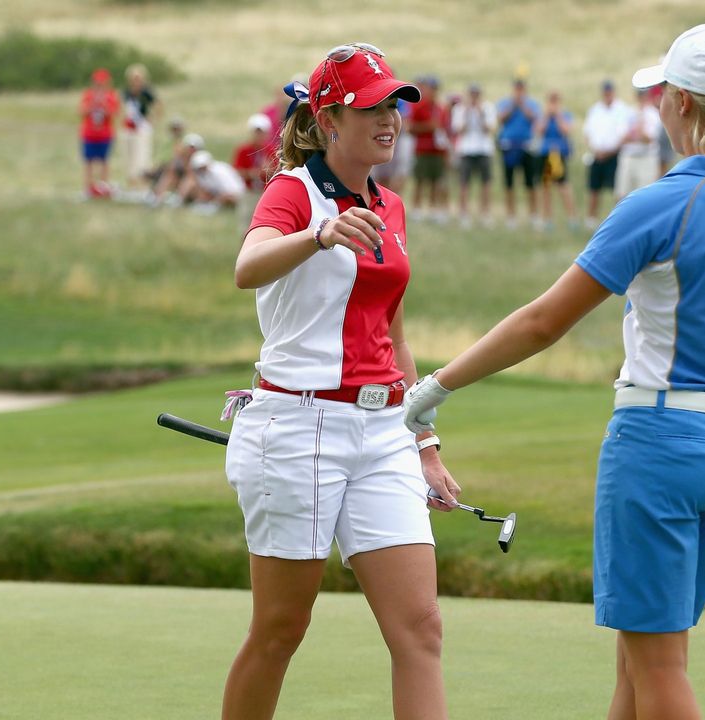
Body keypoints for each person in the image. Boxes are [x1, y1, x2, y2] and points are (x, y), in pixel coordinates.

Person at [401, 24, 705, 720]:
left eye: (662, 94)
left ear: (683, 104)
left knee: (659, 669)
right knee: (643, 660)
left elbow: (543, 322)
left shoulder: (661, 204)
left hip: (662, 447)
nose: (657, 106)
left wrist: (431, 390)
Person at [225, 43, 455, 720]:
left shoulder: (392, 205)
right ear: (328, 121)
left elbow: (396, 337)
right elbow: (249, 265)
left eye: (393, 106)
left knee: (421, 630)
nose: (388, 119)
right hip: (296, 428)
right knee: (280, 631)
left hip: (383, 430)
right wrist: (320, 236)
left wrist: (426, 443)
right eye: (369, 108)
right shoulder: (292, 191)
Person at [583, 79, 632, 229]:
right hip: (597, 155)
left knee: (617, 189)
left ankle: (618, 220)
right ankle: (591, 219)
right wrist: (596, 150)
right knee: (594, 188)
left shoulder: (622, 109)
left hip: (614, 155)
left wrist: (609, 151)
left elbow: (624, 135)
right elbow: (588, 133)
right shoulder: (595, 110)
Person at [496, 78, 542, 229]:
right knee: (509, 183)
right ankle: (511, 216)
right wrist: (513, 106)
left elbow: (534, 119)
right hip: (509, 146)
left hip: (526, 146)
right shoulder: (505, 103)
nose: (519, 92)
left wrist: (522, 105)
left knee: (530, 183)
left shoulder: (531, 104)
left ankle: (533, 215)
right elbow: (501, 119)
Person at [450, 83, 496, 227]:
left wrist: (480, 113)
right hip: (466, 149)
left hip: (484, 149)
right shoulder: (460, 109)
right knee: (464, 182)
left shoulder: (488, 108)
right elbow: (458, 129)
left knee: (486, 183)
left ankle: (486, 213)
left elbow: (489, 129)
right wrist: (468, 112)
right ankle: (464, 213)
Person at [408, 76, 450, 223]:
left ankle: (433, 209)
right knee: (420, 181)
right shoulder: (419, 107)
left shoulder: (440, 108)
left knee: (435, 181)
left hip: (437, 151)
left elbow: (444, 129)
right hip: (422, 150)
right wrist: (428, 126)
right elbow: (410, 128)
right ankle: (416, 209)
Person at [535, 90, 577, 230]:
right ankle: (547, 219)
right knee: (546, 186)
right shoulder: (543, 116)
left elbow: (566, 130)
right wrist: (547, 116)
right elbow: (539, 130)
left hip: (559, 153)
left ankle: (572, 218)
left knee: (563, 186)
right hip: (546, 153)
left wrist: (558, 115)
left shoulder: (565, 115)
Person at [614, 88, 663, 200]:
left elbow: (649, 139)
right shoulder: (628, 112)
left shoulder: (653, 114)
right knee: (622, 194)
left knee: (646, 195)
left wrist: (637, 132)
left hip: (646, 158)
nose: (642, 98)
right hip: (629, 156)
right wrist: (637, 135)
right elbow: (622, 138)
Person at [79, 68, 120, 198]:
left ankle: (103, 186)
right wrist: (92, 103)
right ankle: (88, 186)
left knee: (104, 161)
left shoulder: (112, 95)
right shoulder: (88, 95)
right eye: (97, 83)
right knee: (88, 161)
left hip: (104, 134)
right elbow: (81, 112)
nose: (99, 85)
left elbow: (114, 113)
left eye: (102, 83)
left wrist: (103, 103)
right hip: (89, 134)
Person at [234, 113, 275, 224]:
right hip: (250, 191)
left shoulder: (271, 151)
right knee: (247, 221)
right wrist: (253, 173)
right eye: (256, 132)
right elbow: (238, 170)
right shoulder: (244, 150)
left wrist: (267, 171)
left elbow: (276, 171)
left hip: (266, 191)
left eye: (261, 132)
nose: (258, 135)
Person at [121, 64, 157, 189]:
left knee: (142, 153)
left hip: (142, 127)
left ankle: (143, 179)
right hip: (129, 126)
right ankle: (131, 179)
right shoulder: (127, 92)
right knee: (129, 153)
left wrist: (152, 118)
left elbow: (157, 105)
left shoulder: (146, 92)